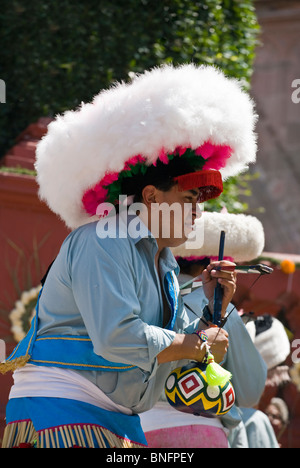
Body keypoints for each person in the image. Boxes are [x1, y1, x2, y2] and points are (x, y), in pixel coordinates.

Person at [0, 64, 257, 448]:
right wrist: (198, 343)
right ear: (152, 197)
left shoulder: (165, 265)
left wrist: (213, 313)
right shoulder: (103, 239)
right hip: (63, 413)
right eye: (188, 200)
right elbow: (118, 337)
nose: (197, 213)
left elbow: (174, 357)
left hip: (117, 423)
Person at [140, 211, 267, 448]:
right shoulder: (219, 305)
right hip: (203, 435)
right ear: (211, 267)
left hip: (139, 432)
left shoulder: (139, 297)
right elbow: (251, 391)